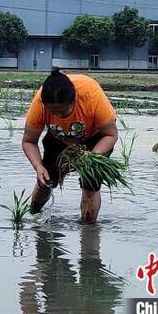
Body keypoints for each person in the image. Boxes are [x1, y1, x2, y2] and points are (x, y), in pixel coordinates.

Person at [21, 68, 118, 223]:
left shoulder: (91, 95)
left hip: (96, 138)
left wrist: (90, 157)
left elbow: (111, 135)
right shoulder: (39, 103)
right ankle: (32, 215)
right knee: (45, 181)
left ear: (74, 100)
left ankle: (88, 230)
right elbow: (29, 141)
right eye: (53, 111)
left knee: (90, 185)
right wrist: (39, 167)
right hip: (58, 137)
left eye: (63, 110)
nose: (58, 115)